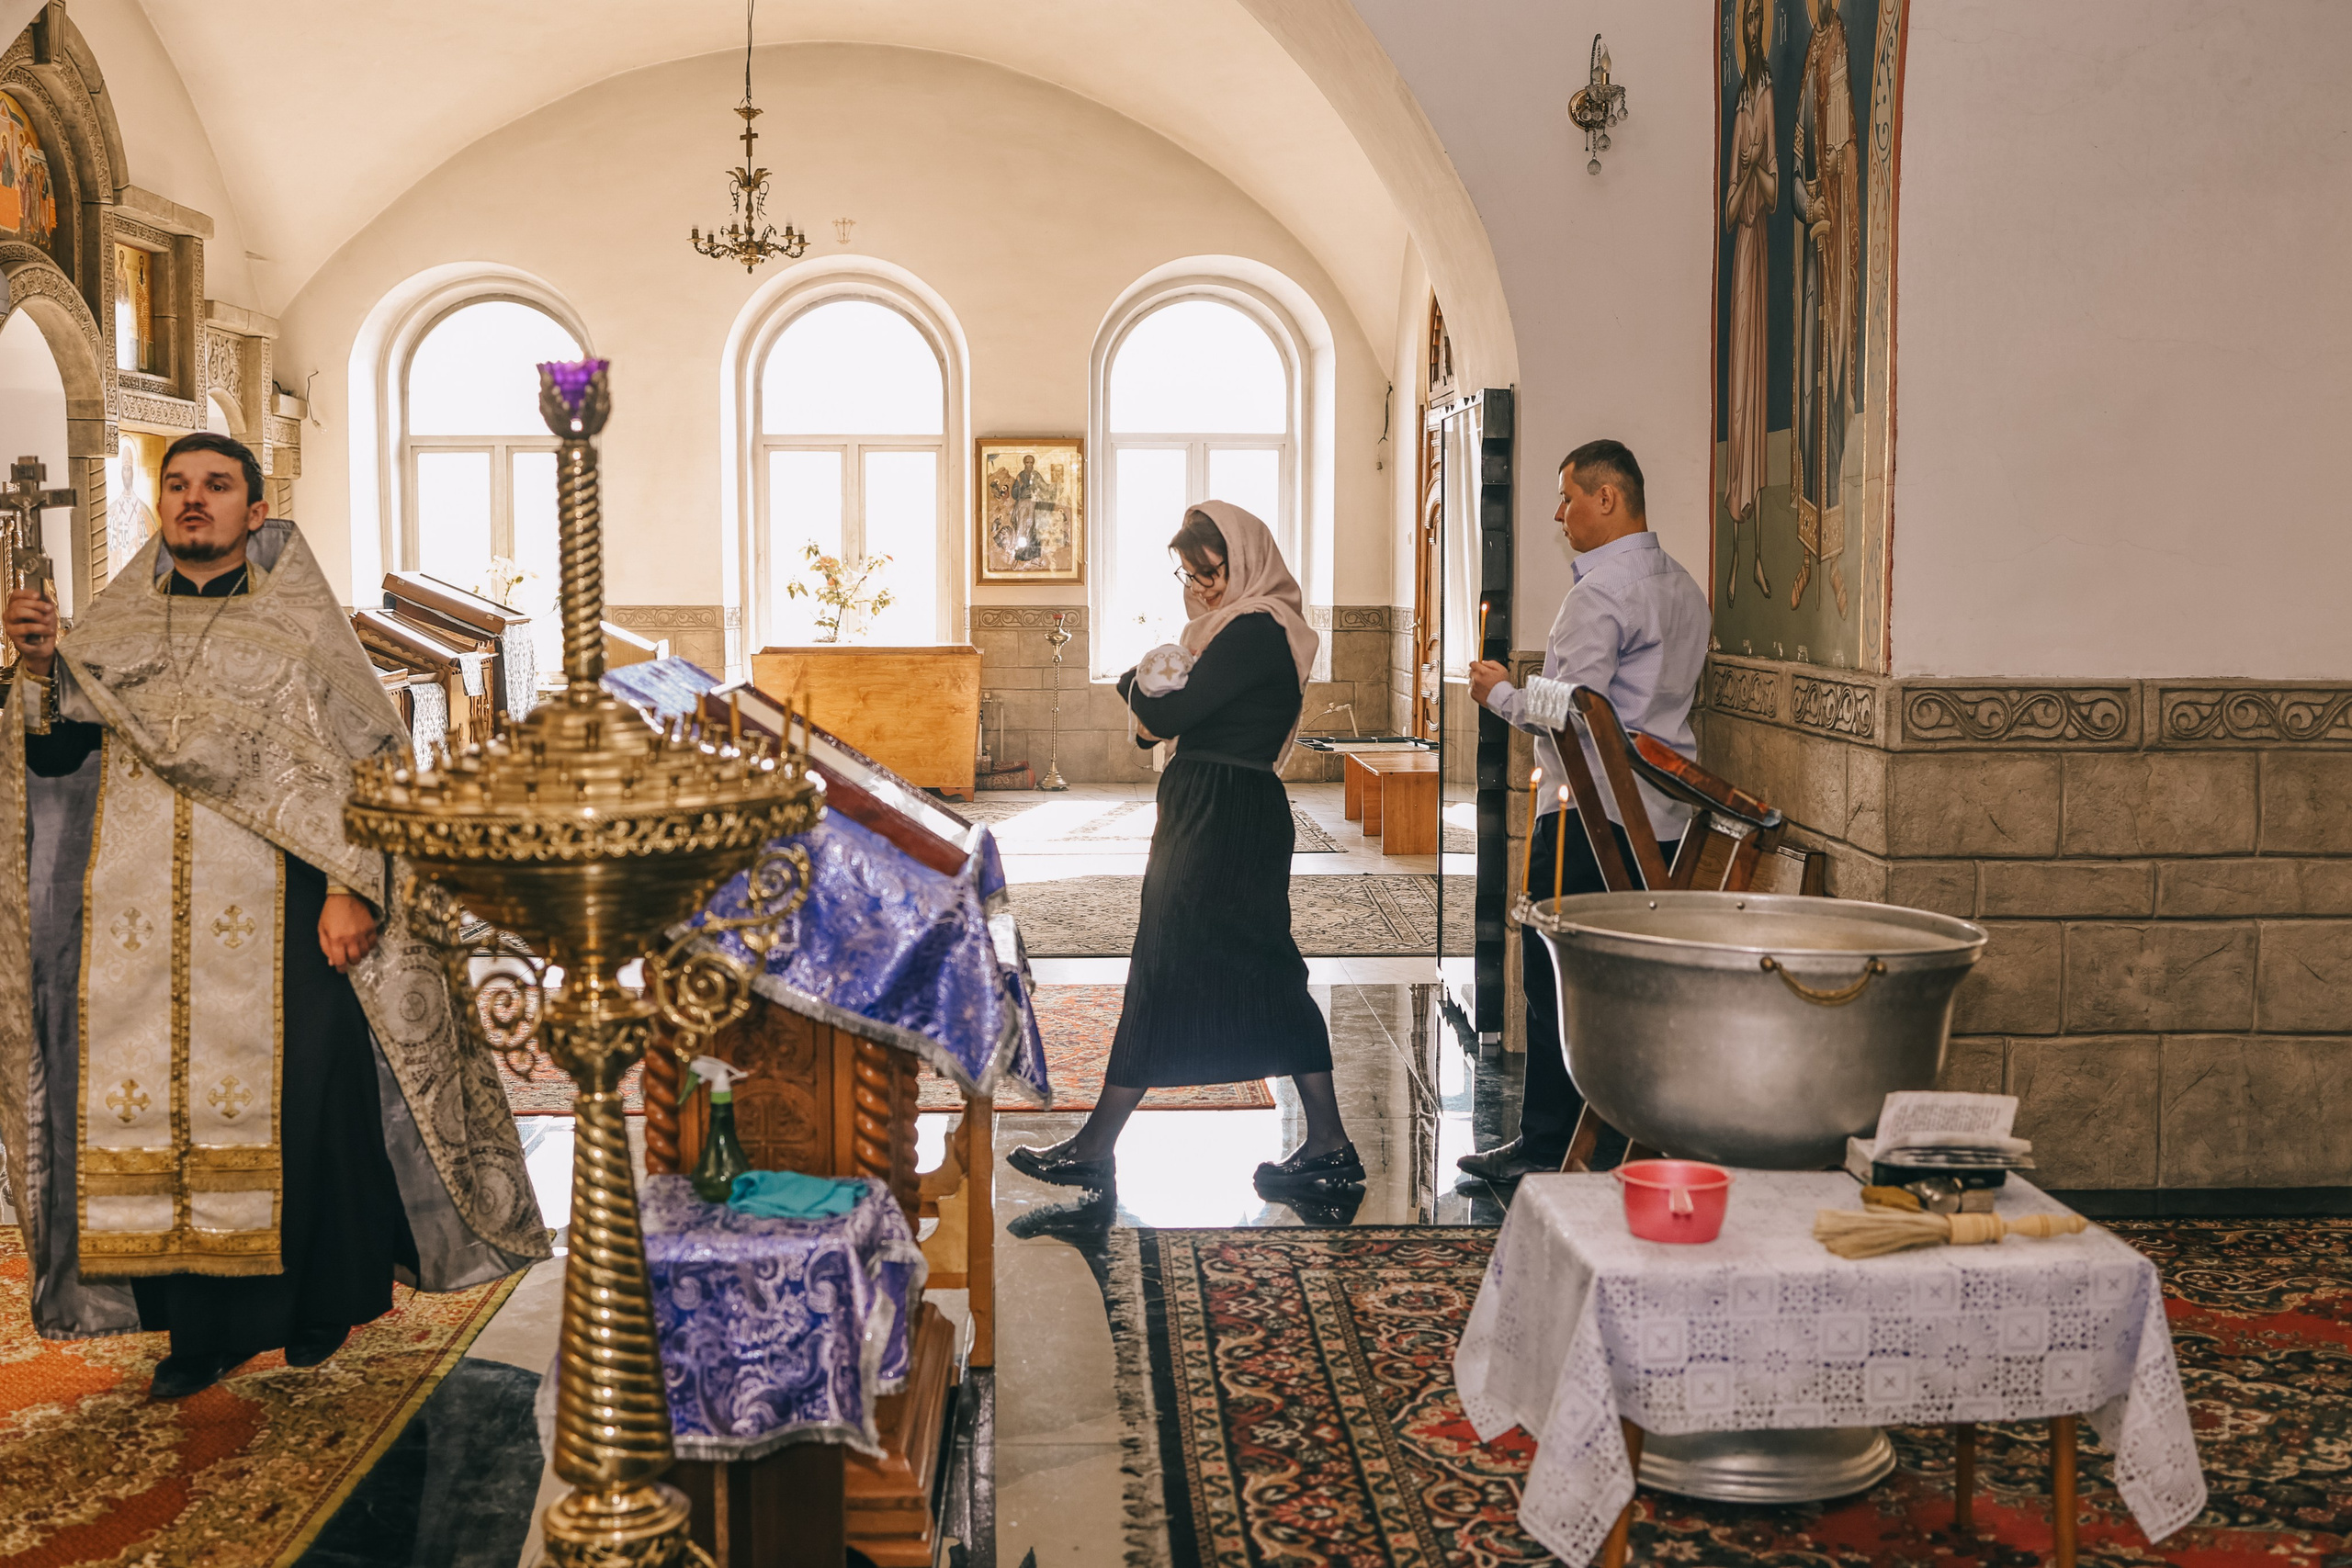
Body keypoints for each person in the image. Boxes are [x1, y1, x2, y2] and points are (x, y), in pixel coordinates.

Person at [1, 431, 547, 1399]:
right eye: (177, 487)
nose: (193, 501)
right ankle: (198, 1334)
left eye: (217, 486)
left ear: (257, 512)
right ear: (161, 509)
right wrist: (38, 668)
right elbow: (54, 760)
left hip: (284, 908)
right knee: (165, 1124)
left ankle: (318, 1305)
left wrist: (349, 887)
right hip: (139, 932)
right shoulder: (113, 636)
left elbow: (364, 762)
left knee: (307, 1106)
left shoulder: (298, 633)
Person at [1008, 502, 1360, 1202]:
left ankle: (1096, 1146)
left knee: (1172, 961)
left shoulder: (1257, 630)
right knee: (1260, 969)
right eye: (1190, 574)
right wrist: (1155, 697)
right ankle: (1328, 1143)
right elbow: (1180, 714)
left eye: (1211, 570)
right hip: (1220, 808)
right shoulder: (1234, 630)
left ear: (1247, 559)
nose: (1200, 587)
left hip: (1223, 816)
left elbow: (1167, 714)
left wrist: (1129, 682)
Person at [1456, 440, 1709, 1185]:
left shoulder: (1600, 592)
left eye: (1568, 497)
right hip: (1660, 820)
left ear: (1608, 498)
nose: (1560, 514)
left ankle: (1549, 1142)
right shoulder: (1682, 586)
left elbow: (1573, 710)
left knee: (1554, 979)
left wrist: (1500, 692)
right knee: (1629, 979)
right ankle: (1634, 1132)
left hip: (1585, 818)